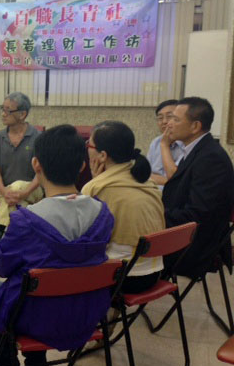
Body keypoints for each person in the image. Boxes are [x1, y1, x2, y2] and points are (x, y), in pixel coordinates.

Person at [0, 125, 113, 366]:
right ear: (82, 166)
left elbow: (3, 267)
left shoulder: (27, 220)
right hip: (85, 311)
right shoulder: (103, 213)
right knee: (36, 281)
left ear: (36, 164)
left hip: (36, 314)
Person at [82, 121, 165, 293]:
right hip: (154, 273)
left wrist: (95, 181)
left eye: (89, 144)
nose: (87, 148)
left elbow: (86, 238)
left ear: (102, 155)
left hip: (121, 278)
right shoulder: (146, 180)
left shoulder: (97, 188)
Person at [162, 97, 234, 278]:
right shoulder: (196, 149)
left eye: (175, 119)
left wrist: (157, 217)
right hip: (184, 233)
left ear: (195, 126)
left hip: (196, 245)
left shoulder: (211, 158)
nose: (168, 124)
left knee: (128, 249)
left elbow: (198, 214)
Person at [0, 92, 43, 252]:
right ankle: (14, 242)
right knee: (18, 203)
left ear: (22, 114)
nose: (3, 114)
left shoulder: (38, 137)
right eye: (2, 109)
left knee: (18, 186)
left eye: (8, 110)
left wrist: (24, 192)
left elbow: (41, 173)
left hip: (33, 191)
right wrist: (4, 191)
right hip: (5, 193)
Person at [146, 100, 184, 187]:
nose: (164, 122)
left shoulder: (186, 144)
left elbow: (177, 180)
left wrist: (164, 145)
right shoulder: (155, 142)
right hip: (152, 191)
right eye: (160, 118)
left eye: (169, 116)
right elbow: (145, 174)